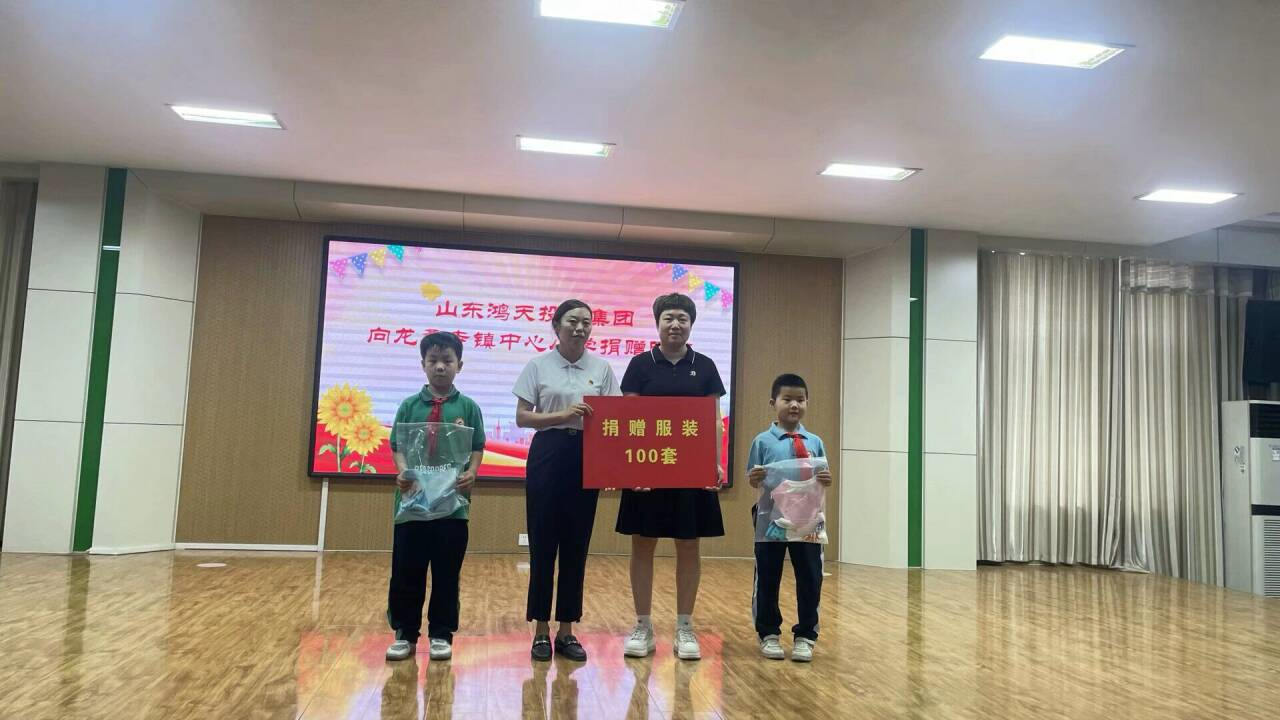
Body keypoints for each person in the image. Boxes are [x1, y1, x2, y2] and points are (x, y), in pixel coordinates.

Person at [616, 293, 726, 661]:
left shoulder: (705, 366)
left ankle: (685, 627)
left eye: (682, 318)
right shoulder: (640, 364)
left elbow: (713, 421)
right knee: (642, 543)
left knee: (689, 545)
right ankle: (643, 625)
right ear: (657, 323)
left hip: (691, 471)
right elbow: (628, 420)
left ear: (691, 324)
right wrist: (630, 467)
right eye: (668, 318)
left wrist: (713, 464)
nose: (675, 324)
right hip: (646, 468)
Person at [513, 299, 620, 662]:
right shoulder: (538, 365)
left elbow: (615, 419)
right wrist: (562, 414)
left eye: (586, 322)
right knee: (543, 543)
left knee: (577, 544)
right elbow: (523, 417)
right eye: (573, 321)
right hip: (548, 453)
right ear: (556, 325)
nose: (580, 327)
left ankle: (567, 630)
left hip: (586, 456)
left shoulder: (601, 368)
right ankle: (541, 630)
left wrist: (611, 467)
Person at [385, 331, 486, 662]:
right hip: (412, 505)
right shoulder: (409, 405)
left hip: (452, 507)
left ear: (460, 365)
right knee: (406, 572)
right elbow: (397, 446)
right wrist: (404, 472)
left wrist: (473, 472)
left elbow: (477, 447)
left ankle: (441, 634)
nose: (440, 367)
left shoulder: (468, 407)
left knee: (446, 574)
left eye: (447, 360)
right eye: (433, 360)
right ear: (423, 364)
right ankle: (405, 634)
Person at [746, 373, 833, 663]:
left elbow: (823, 476)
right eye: (787, 399)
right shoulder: (762, 441)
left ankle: (806, 635)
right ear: (773, 403)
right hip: (771, 517)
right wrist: (755, 476)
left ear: (807, 402)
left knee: (810, 576)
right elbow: (752, 478)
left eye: (800, 399)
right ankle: (768, 632)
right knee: (768, 575)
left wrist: (826, 479)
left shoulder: (815, 442)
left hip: (808, 519)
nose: (794, 405)